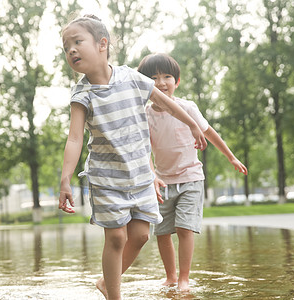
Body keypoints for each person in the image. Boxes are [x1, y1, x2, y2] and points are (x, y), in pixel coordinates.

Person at [58, 15, 207, 300]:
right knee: (116, 237)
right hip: (106, 178)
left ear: (102, 44)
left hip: (139, 175)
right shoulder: (82, 94)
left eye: (78, 42)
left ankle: (105, 282)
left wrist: (191, 124)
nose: (71, 50)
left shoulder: (131, 78)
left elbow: (167, 103)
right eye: (67, 47)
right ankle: (115, 296)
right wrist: (65, 179)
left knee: (139, 236)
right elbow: (75, 138)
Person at [137, 53, 248, 291]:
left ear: (177, 81)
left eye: (167, 76)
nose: (161, 82)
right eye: (154, 77)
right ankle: (171, 276)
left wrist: (231, 156)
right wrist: (152, 175)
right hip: (162, 182)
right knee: (163, 232)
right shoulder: (145, 115)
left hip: (191, 178)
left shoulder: (187, 107)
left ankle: (184, 278)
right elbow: (145, 149)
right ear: (144, 84)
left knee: (185, 228)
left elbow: (210, 132)